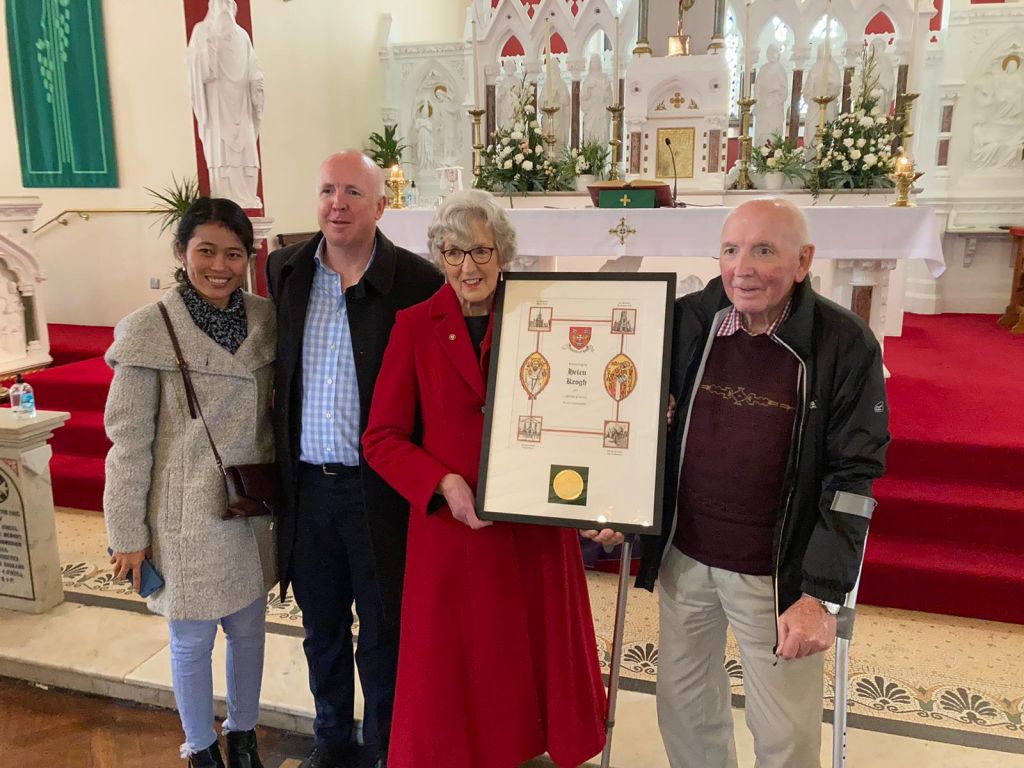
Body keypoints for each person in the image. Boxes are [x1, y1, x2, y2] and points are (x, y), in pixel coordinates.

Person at [362, 189, 619, 768]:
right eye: (453, 253)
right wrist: (443, 483)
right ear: (439, 257)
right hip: (454, 534)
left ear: (502, 253)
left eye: (480, 251)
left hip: (533, 528)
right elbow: (381, 438)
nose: (467, 267)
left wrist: (602, 493)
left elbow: (580, 414)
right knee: (459, 672)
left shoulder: (544, 318)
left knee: (528, 663)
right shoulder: (413, 326)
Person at [636, 198, 889, 768]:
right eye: (731, 250)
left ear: (804, 261)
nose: (742, 268)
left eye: (764, 251)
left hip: (776, 574)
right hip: (686, 556)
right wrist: (621, 503)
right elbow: (634, 416)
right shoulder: (686, 320)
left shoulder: (843, 343)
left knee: (784, 733)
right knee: (684, 708)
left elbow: (854, 475)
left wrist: (819, 595)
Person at [265, 151, 442, 768]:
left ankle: (387, 747)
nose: (337, 204)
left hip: (380, 493)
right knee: (322, 629)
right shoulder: (286, 269)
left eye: (353, 193)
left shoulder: (418, 281)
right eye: (327, 191)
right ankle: (331, 740)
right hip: (308, 488)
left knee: (385, 630)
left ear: (381, 206)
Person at [105, 197, 277, 768]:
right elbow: (128, 445)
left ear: (248, 257)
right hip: (185, 515)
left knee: (250, 631)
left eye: (233, 254)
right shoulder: (147, 331)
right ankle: (201, 748)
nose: (219, 266)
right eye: (206, 251)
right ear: (182, 252)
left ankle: (244, 737)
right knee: (193, 639)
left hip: (250, 505)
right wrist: (127, 535)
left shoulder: (265, 320)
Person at [186, 0, 265, 209]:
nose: (224, 8)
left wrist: (257, 82)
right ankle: (224, 197)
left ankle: (247, 196)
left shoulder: (243, 36)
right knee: (221, 150)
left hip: (242, 105)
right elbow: (197, 69)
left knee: (246, 150)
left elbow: (253, 68)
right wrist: (207, 52)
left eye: (228, 3)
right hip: (217, 107)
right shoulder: (202, 31)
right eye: (220, 3)